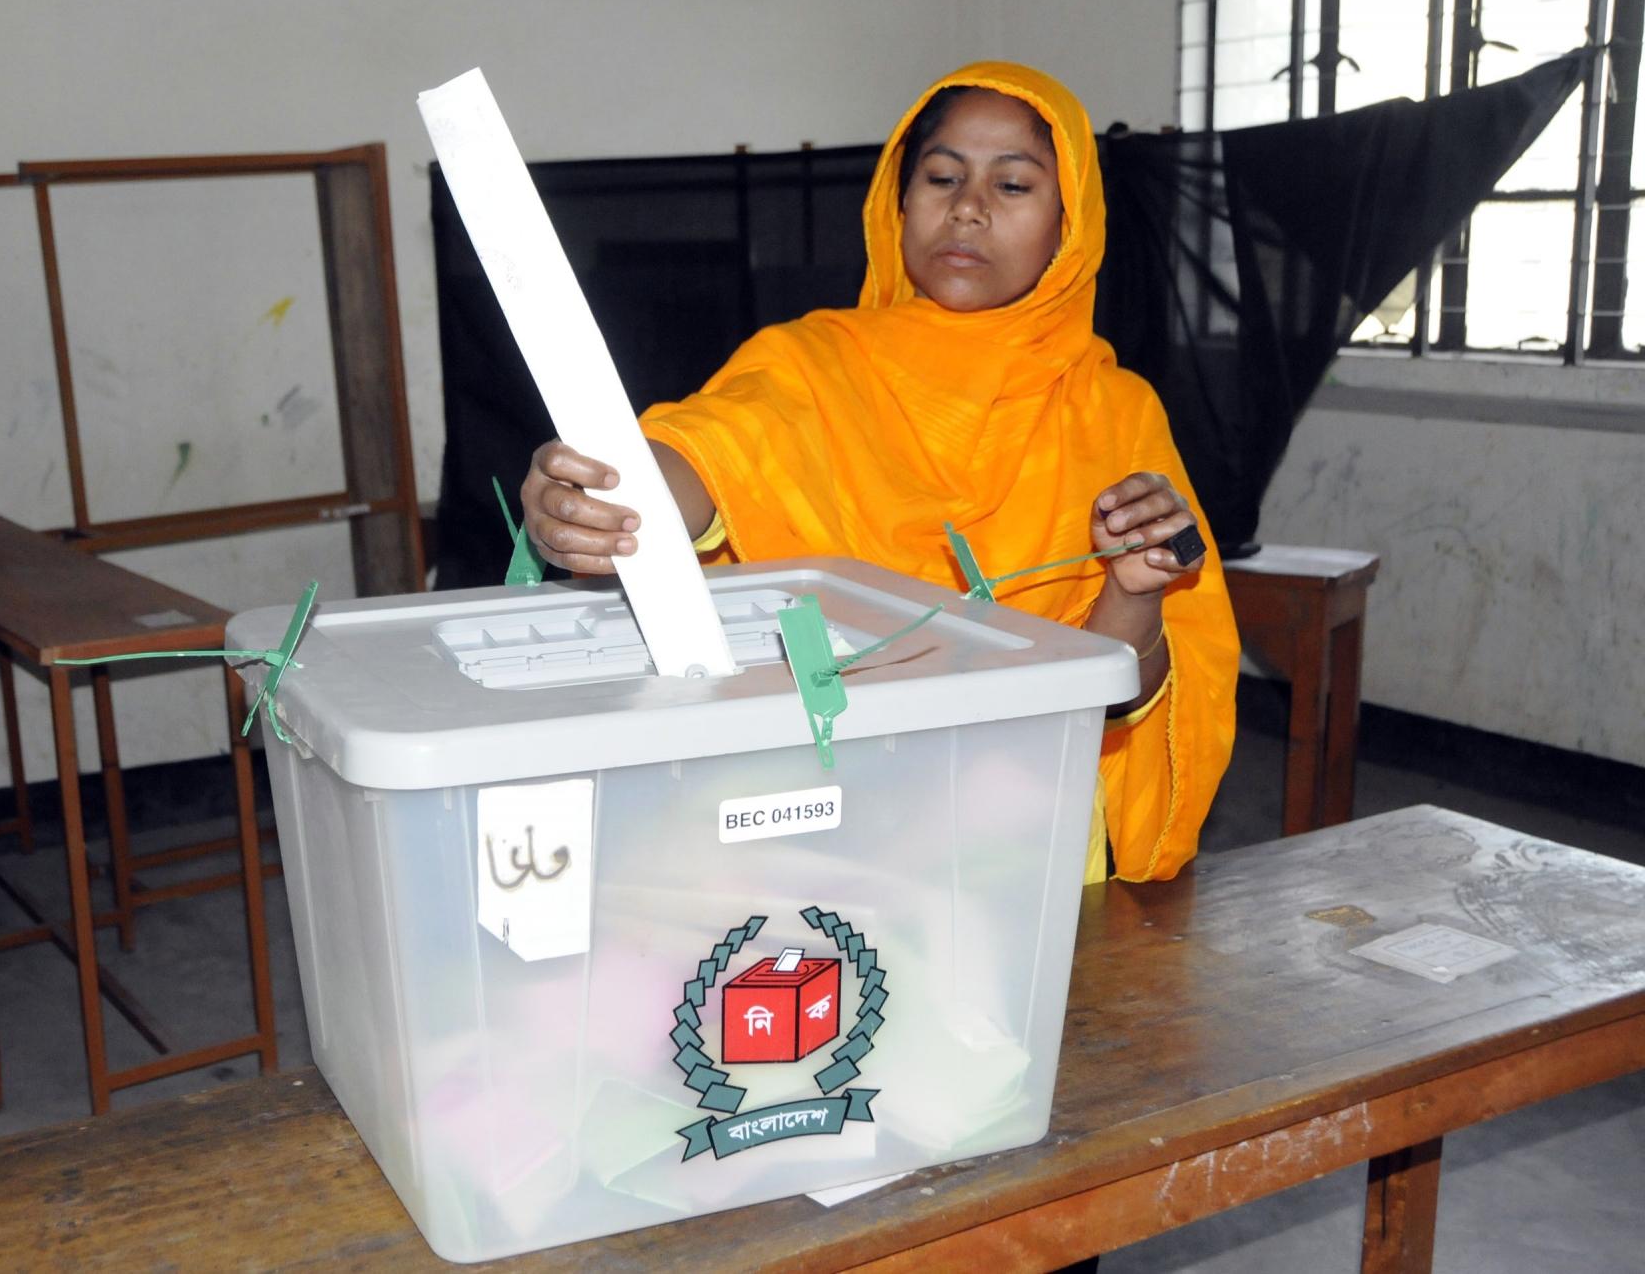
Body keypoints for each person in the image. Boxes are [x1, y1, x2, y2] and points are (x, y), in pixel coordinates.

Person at [519, 61, 1238, 884]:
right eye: (941, 176)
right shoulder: (811, 363)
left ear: (1069, 226)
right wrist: (604, 492)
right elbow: (712, 452)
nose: (967, 206)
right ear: (897, 204)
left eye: (1012, 185)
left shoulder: (1114, 413)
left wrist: (1137, 589)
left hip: (1020, 860)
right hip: (816, 830)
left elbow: (1118, 697)